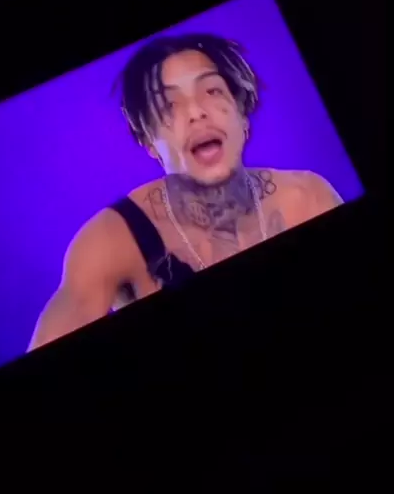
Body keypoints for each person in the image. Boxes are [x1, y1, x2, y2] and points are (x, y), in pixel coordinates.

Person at [28, 33, 342, 351]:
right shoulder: (113, 241)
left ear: (242, 114)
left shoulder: (307, 197)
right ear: (149, 142)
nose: (196, 113)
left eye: (212, 91)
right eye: (169, 105)